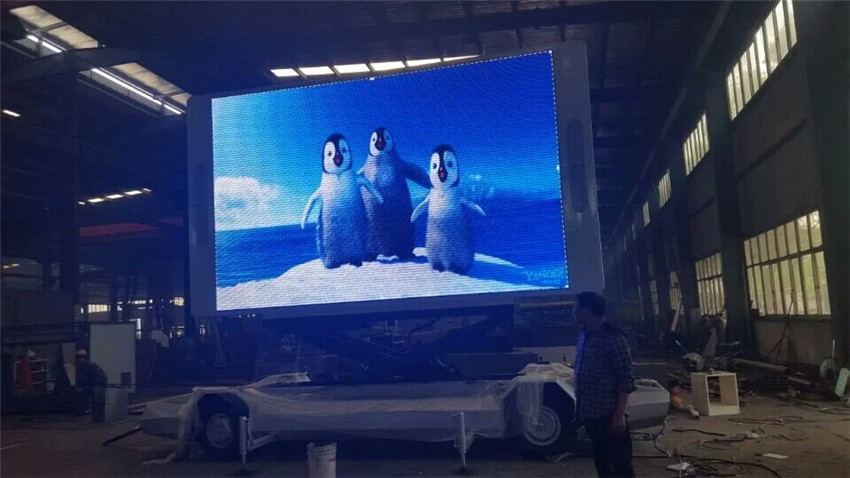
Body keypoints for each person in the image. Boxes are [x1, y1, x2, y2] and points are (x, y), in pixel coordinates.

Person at [573, 292, 637, 478]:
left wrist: (619, 415)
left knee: (621, 466)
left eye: (576, 307)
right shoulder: (584, 335)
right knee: (602, 465)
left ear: (586, 310)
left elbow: (626, 379)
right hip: (590, 413)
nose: (573, 311)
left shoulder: (614, 338)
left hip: (609, 415)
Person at [74, 349, 107, 415]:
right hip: (96, 385)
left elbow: (82, 377)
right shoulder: (92, 364)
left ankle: (84, 411)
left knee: (85, 397)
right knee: (95, 400)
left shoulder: (82, 365)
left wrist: (79, 386)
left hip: (91, 385)